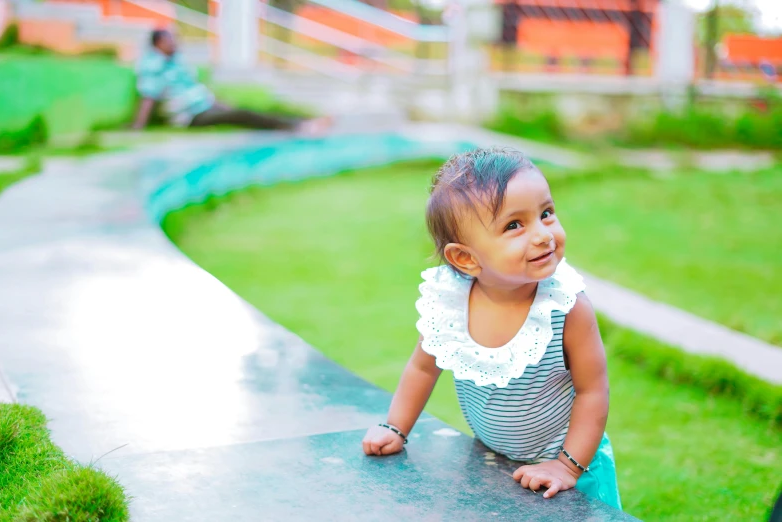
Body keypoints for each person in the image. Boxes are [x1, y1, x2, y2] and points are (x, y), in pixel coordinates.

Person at [361, 148, 622, 509]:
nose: (543, 235)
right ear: (466, 259)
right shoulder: (451, 304)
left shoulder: (565, 308)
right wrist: (395, 428)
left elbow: (593, 391)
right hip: (495, 462)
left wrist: (567, 467)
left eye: (546, 214)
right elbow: (422, 367)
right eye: (514, 225)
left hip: (572, 466)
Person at [132, 29, 330, 134]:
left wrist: (219, 104)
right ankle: (297, 127)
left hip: (205, 106)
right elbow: (148, 96)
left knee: (246, 109)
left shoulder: (176, 61)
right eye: (170, 40)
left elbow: (196, 90)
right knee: (241, 114)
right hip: (191, 117)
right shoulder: (152, 66)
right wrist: (138, 126)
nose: (175, 42)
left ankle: (303, 121)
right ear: (158, 43)